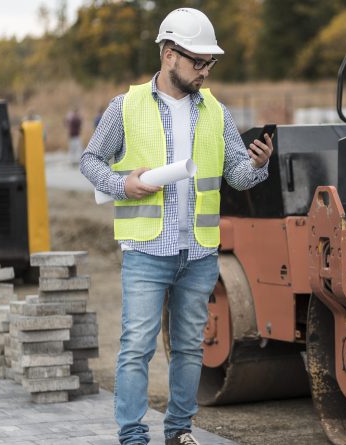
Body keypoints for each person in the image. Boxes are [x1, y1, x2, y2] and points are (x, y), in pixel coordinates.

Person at [79, 7, 274, 445]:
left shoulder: (216, 112)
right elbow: (90, 160)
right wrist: (121, 183)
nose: (205, 70)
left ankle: (179, 431)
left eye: (210, 63)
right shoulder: (124, 106)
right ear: (169, 55)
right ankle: (132, 436)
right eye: (197, 61)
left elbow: (235, 176)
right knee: (136, 348)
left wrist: (257, 165)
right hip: (147, 249)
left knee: (189, 348)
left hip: (200, 252)